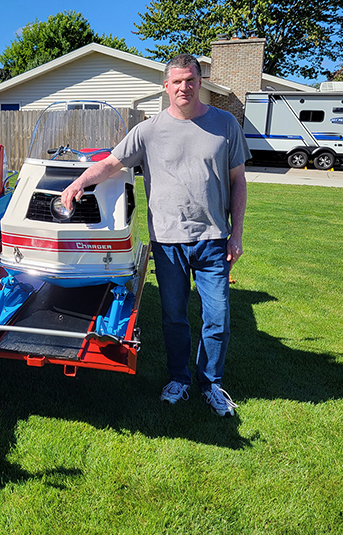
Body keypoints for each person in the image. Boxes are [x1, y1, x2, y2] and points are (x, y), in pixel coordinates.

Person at [61, 54, 249, 417]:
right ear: (166, 86)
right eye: (176, 81)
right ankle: (179, 379)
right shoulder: (148, 131)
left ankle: (211, 384)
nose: (184, 87)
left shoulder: (225, 124)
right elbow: (111, 163)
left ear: (200, 81)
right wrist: (79, 182)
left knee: (218, 316)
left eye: (190, 80)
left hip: (213, 239)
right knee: (174, 316)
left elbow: (238, 180)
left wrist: (236, 233)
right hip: (167, 241)